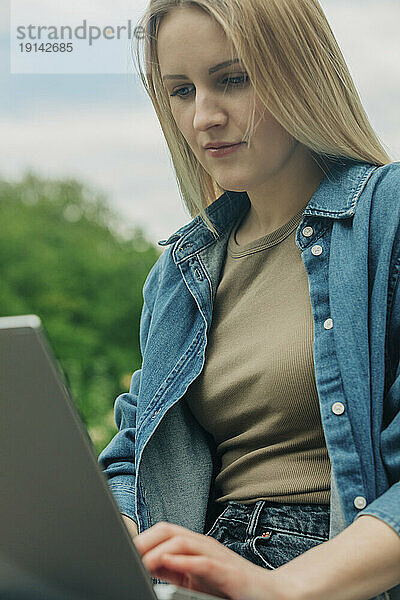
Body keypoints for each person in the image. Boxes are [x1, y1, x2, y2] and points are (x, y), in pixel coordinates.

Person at [98, 1, 400, 598]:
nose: (204, 116)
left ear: (299, 73)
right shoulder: (178, 275)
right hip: (197, 567)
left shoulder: (385, 215)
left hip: (328, 568)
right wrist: (112, 545)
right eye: (180, 91)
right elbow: (134, 457)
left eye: (232, 79)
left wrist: (281, 588)